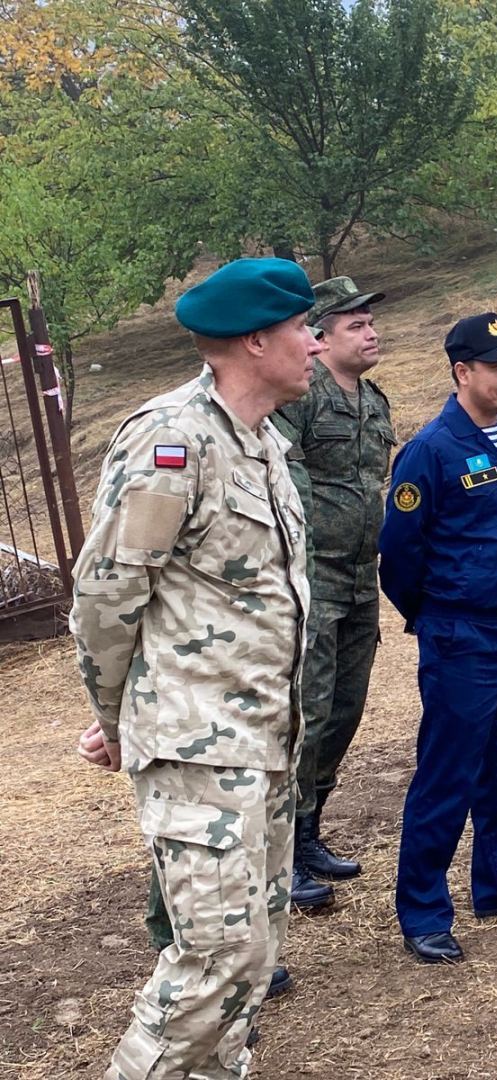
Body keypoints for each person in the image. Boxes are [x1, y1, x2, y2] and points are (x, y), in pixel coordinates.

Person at [70, 257, 319, 1077]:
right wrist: (119, 723)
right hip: (197, 747)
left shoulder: (261, 442)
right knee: (211, 962)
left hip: (265, 742)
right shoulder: (171, 439)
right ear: (255, 340)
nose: (314, 345)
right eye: (300, 329)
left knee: (249, 963)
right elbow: (107, 598)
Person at [378, 313, 497, 964]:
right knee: (447, 773)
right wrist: (434, 617)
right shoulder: (431, 450)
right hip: (461, 632)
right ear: (463, 372)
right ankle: (424, 911)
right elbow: (398, 555)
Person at [277, 275, 396, 902]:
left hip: (360, 579)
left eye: (371, 322)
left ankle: (312, 829)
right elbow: (286, 480)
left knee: (346, 708)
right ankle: (286, 845)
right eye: (356, 324)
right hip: (313, 578)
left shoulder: (375, 402)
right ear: (320, 339)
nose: (371, 332)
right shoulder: (299, 398)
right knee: (309, 712)